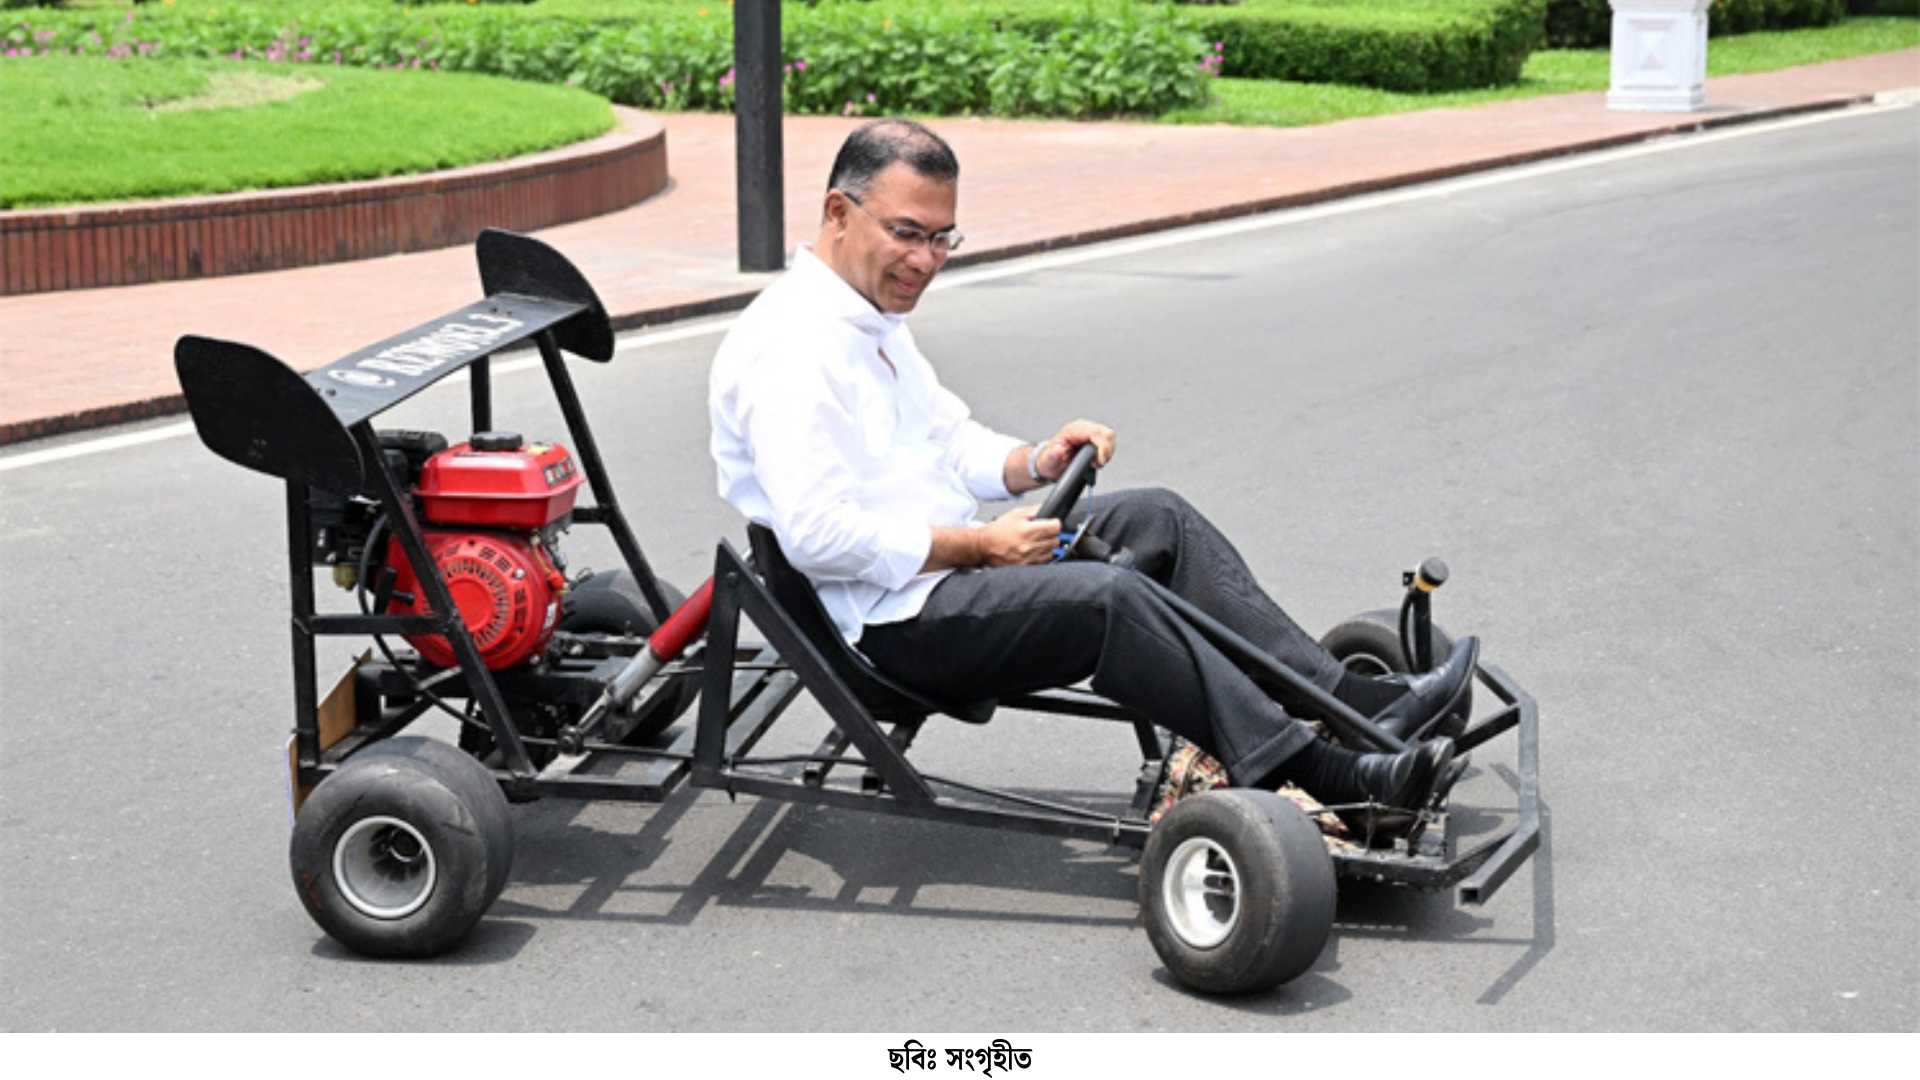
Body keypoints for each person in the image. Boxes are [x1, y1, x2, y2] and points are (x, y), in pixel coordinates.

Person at [709, 119, 1476, 823]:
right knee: (1110, 598)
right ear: (838, 213)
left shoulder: (868, 318)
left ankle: (1358, 704)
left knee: (1157, 520)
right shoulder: (793, 350)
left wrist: (1036, 460)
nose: (925, 261)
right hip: (889, 628)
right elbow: (817, 536)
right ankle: (1328, 773)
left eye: (942, 238)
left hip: (943, 575)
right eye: (907, 233)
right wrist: (980, 548)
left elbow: (945, 441)